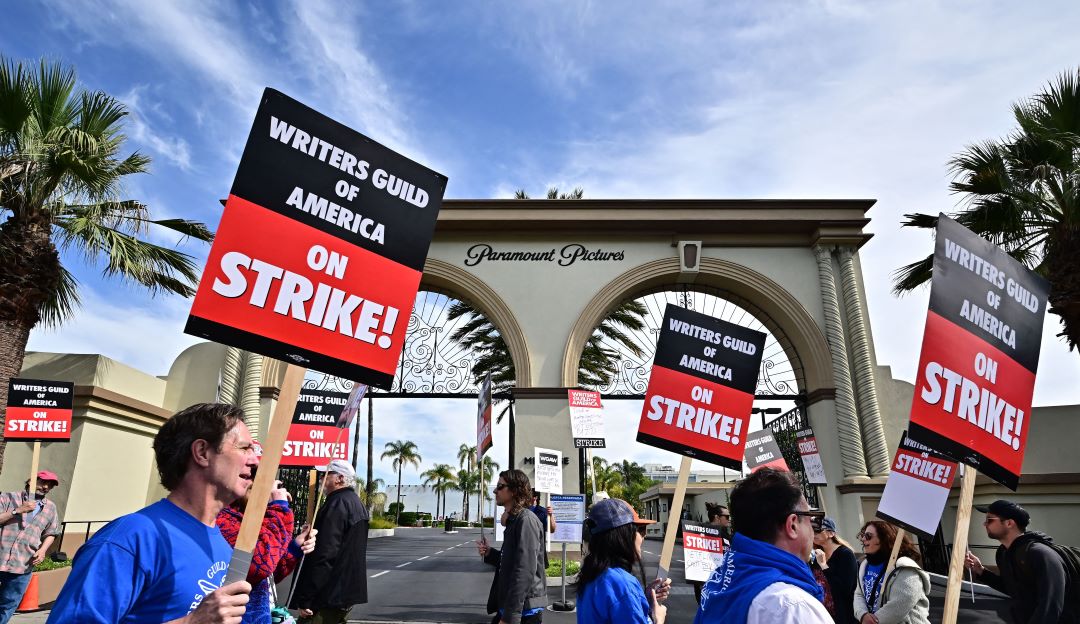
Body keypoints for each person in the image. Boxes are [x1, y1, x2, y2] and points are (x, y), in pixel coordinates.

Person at [48, 403, 255, 623]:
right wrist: (190, 622)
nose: (255, 460)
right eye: (244, 448)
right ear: (202, 452)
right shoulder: (129, 539)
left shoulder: (221, 544)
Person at [694, 467, 831, 624]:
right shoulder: (792, 607)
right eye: (811, 518)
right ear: (792, 525)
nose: (813, 529)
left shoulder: (719, 584)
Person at [215, 466, 317, 624]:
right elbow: (259, 565)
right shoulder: (222, 518)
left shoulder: (246, 517)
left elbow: (269, 575)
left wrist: (295, 547)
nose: (260, 483)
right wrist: (279, 507)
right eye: (250, 476)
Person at [965, 499, 1074, 623]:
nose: (984, 524)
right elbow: (1013, 589)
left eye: (989, 520)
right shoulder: (1004, 553)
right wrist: (981, 571)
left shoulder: (1040, 554)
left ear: (1009, 523)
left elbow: (1051, 606)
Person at [288, 459, 369, 624]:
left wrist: (307, 598)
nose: (321, 478)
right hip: (342, 595)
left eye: (326, 474)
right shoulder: (355, 503)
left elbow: (324, 555)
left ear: (339, 478)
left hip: (326, 598)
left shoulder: (337, 504)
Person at [577, 498, 671, 624]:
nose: (644, 537)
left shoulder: (592, 575)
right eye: (641, 530)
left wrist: (643, 597)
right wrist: (659, 619)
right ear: (624, 534)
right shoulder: (623, 584)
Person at [476, 469, 546, 624]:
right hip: (510, 608)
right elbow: (510, 561)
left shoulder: (526, 521)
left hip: (524, 612)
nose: (495, 490)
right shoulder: (515, 520)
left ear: (514, 490)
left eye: (500, 486)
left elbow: (524, 571)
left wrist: (510, 617)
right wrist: (490, 553)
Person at [0, 470, 61, 624]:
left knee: (8, 605)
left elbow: (51, 532)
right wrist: (17, 511)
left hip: (23, 564)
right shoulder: (8, 497)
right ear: (30, 481)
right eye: (43, 482)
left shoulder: (51, 508)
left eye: (50, 485)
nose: (46, 487)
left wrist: (42, 551)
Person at [853, 520, 930, 624]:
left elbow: (900, 603)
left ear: (884, 539)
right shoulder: (864, 565)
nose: (863, 539)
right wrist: (862, 614)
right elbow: (859, 594)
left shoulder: (905, 568)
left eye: (868, 536)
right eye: (863, 535)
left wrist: (873, 622)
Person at [812, 517, 858, 624]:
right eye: (811, 530)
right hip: (823, 615)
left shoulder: (845, 554)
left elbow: (844, 590)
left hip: (843, 617)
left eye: (818, 530)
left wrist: (824, 565)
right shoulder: (818, 555)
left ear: (831, 533)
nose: (814, 533)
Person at [691, 503, 731, 603]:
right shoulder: (701, 534)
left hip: (723, 583)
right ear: (717, 517)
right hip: (706, 583)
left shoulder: (726, 534)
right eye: (726, 516)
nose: (729, 519)